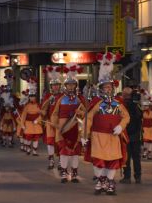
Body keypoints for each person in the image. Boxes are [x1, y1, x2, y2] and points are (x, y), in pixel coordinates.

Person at [83, 52, 129, 195]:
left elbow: (126, 117)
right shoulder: (96, 103)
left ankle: (110, 182)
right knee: (99, 160)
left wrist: (121, 126)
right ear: (101, 89)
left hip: (113, 136)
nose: (108, 89)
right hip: (98, 136)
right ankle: (101, 180)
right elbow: (88, 118)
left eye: (110, 87)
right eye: (105, 88)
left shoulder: (118, 103)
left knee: (113, 161)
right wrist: (84, 134)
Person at [51, 64, 86, 183]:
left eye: (73, 85)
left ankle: (75, 173)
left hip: (75, 128)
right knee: (64, 152)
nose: (71, 87)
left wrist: (80, 112)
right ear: (65, 86)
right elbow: (55, 113)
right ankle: (64, 173)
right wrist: (55, 124)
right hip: (62, 129)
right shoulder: (60, 99)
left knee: (75, 153)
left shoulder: (79, 99)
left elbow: (85, 113)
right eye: (69, 85)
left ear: (75, 86)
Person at [41, 66, 64, 170]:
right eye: (54, 85)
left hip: (60, 123)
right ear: (51, 86)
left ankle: (60, 161)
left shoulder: (63, 96)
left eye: (57, 85)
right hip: (50, 122)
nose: (55, 87)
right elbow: (43, 108)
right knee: (50, 142)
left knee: (59, 141)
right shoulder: (48, 96)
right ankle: (51, 160)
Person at [18, 78, 44, 156]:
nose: (32, 98)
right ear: (29, 98)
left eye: (33, 97)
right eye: (31, 97)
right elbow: (23, 116)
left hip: (36, 124)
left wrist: (38, 120)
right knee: (28, 137)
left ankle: (35, 151)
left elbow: (42, 114)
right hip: (28, 124)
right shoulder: (27, 106)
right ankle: (28, 149)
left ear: (35, 97)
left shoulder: (39, 105)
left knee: (36, 138)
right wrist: (22, 124)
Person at [121, 85, 142, 184]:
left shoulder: (123, 105)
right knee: (136, 157)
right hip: (136, 135)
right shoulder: (137, 104)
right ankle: (138, 177)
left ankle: (127, 177)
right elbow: (141, 116)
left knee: (127, 157)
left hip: (127, 134)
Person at [140, 89, 152, 160]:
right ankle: (145, 152)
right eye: (145, 105)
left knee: (150, 141)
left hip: (151, 127)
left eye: (147, 105)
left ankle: (149, 153)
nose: (146, 107)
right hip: (144, 127)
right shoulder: (142, 112)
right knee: (145, 140)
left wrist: (149, 97)